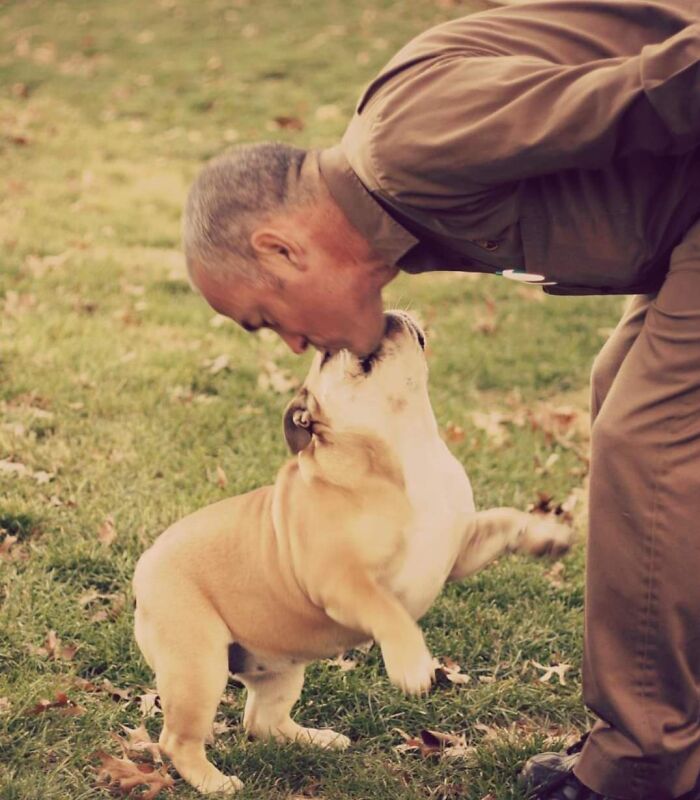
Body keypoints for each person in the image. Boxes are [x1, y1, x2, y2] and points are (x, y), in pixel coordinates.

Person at [182, 1, 700, 797]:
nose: (290, 345)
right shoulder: (401, 210)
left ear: (281, 248)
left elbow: (653, 89)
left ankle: (641, 766)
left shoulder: (409, 142)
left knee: (648, 440)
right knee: (620, 388)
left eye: (265, 318)